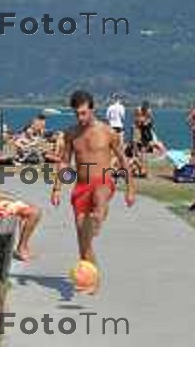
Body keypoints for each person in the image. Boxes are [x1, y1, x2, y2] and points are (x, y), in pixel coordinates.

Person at [51, 90, 135, 293]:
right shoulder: (71, 133)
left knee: (100, 195)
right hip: (80, 186)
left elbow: (123, 160)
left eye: (83, 113)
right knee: (83, 241)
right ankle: (90, 280)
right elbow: (64, 162)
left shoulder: (108, 132)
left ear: (92, 110)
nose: (80, 118)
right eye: (77, 114)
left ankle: (99, 215)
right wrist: (57, 188)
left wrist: (130, 189)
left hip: (103, 181)